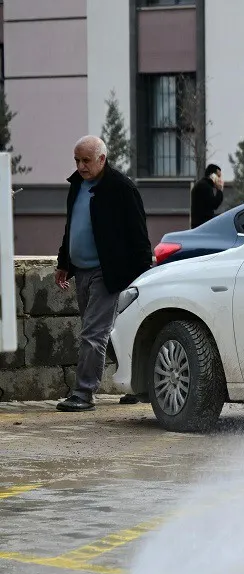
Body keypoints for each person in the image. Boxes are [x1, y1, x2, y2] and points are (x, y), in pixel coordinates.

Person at [54, 135, 152, 412]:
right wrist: (64, 263)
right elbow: (71, 227)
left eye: (86, 160)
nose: (81, 166)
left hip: (108, 273)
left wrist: (143, 276)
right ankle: (138, 384)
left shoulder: (122, 188)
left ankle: (84, 393)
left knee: (93, 334)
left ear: (102, 159)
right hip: (81, 271)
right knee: (104, 332)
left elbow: (139, 236)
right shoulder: (77, 185)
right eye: (77, 160)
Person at [189, 163, 224, 227]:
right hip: (202, 225)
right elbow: (214, 204)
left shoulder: (203, 184)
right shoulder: (204, 186)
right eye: (218, 176)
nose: (220, 179)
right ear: (212, 175)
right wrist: (219, 190)